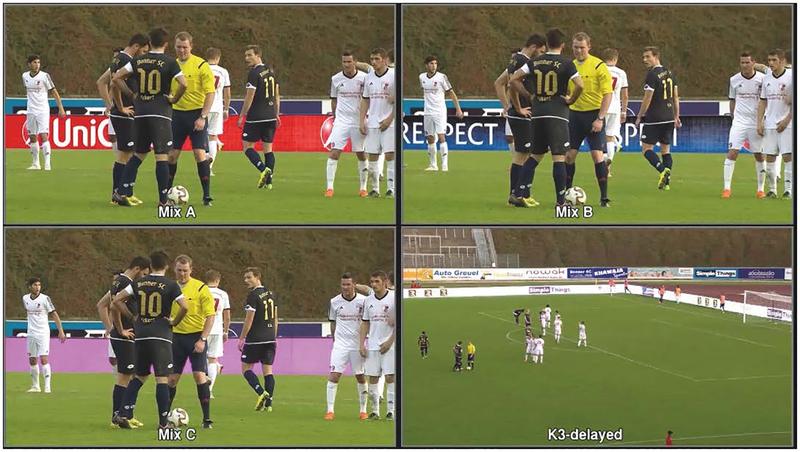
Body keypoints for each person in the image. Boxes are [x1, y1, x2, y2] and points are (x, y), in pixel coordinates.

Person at [112, 250, 188, 430]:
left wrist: (133, 317)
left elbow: (117, 300)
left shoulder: (138, 282)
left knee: (140, 375)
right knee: (162, 378)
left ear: (151, 266)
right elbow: (185, 307)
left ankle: (122, 413)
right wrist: (174, 321)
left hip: (141, 334)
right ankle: (164, 423)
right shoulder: (171, 285)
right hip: (161, 335)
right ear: (167, 266)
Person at [112, 28, 188, 207]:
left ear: (150, 43)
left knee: (139, 153)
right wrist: (173, 99)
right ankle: (163, 201)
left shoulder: (138, 60)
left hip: (141, 112)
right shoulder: (170, 62)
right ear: (166, 44)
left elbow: (116, 78)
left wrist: (132, 95)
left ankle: (121, 192)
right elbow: (184, 84)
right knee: (161, 156)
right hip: (160, 113)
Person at [510, 28, 583, 206]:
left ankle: (517, 193)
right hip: (557, 113)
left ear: (547, 44)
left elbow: (513, 79)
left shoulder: (535, 61)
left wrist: (530, 96)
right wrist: (570, 99)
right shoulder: (567, 63)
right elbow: (580, 85)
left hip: (538, 113)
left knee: (535, 155)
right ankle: (561, 202)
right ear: (563, 45)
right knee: (558, 157)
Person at [96, 256, 150, 426]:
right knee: (124, 377)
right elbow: (113, 307)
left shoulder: (118, 281)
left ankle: (126, 414)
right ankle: (117, 417)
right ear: (137, 269)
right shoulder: (127, 284)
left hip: (122, 336)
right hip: (125, 337)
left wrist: (110, 328)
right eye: (144, 273)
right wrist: (120, 330)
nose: (143, 277)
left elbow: (101, 304)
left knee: (133, 374)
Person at [97, 34, 150, 204]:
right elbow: (113, 83)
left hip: (122, 113)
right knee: (125, 155)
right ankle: (118, 194)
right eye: (143, 50)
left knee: (129, 153)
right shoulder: (126, 61)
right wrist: (119, 107)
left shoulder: (118, 59)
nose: (143, 54)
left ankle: (125, 192)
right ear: (136, 46)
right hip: (125, 114)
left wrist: (109, 105)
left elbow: (101, 82)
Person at [496, 34, 546, 207]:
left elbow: (498, 83)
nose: (541, 54)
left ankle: (521, 193)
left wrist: (507, 106)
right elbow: (511, 85)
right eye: (540, 50)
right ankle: (516, 194)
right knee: (523, 155)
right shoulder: (522, 61)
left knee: (525, 154)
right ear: (534, 47)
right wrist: (516, 108)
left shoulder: (515, 59)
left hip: (519, 114)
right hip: (522, 115)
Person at [167, 32, 216, 206]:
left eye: (185, 47)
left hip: (197, 115)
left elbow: (211, 92)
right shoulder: (171, 65)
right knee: (172, 156)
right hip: (177, 115)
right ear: (174, 46)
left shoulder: (201, 65)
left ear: (191, 46)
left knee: (199, 154)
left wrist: (203, 116)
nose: (182, 50)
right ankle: (166, 193)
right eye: (179, 47)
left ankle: (206, 195)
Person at [565, 32, 613, 207]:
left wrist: (600, 118)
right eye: (575, 47)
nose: (578, 51)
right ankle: (566, 194)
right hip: (574, 116)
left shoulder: (599, 66)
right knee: (569, 156)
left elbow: (608, 94)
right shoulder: (569, 66)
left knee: (597, 155)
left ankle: (604, 197)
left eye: (582, 47)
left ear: (589, 47)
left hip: (594, 115)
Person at [168, 255, 216, 428]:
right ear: (174, 269)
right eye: (179, 270)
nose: (182, 274)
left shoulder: (201, 288)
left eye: (185, 270)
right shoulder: (170, 287)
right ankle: (165, 416)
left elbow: (210, 316)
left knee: (199, 376)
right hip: (176, 338)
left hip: (196, 337)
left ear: (191, 269)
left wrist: (202, 339)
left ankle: (207, 418)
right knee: (172, 379)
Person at [635, 46, 680, 191]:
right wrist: (676, 116)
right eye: (644, 57)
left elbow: (647, 98)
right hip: (669, 117)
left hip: (655, 117)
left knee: (646, 149)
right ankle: (666, 183)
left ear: (656, 56)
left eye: (648, 57)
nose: (645, 60)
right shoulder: (670, 73)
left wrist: (640, 115)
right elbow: (675, 97)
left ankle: (662, 170)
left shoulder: (652, 75)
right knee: (665, 150)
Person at [325, 273, 369, 420]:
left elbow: (367, 322)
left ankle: (363, 410)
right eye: (343, 284)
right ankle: (330, 411)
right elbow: (333, 322)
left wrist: (364, 342)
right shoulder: (334, 301)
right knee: (334, 376)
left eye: (348, 284)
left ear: (354, 285)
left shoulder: (363, 301)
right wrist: (335, 341)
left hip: (358, 344)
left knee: (360, 376)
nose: (345, 287)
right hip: (340, 345)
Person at [722, 52, 766, 198]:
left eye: (747, 62)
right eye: (742, 63)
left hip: (756, 121)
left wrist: (763, 120)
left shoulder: (762, 79)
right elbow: (732, 100)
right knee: (732, 152)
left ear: (753, 62)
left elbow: (766, 100)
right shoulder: (734, 80)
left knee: (759, 155)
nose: (745, 65)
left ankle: (760, 189)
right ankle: (727, 189)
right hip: (739, 122)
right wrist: (734, 117)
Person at [325, 51, 369, 197]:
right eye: (344, 62)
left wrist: (365, 118)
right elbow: (333, 99)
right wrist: (335, 117)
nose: (346, 64)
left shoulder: (364, 78)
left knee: (361, 154)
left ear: (355, 62)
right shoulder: (336, 79)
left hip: (358, 120)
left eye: (349, 62)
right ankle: (329, 188)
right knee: (334, 152)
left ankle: (363, 188)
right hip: (341, 121)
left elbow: (368, 99)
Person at [238, 45, 281, 190]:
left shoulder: (254, 73)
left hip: (256, 116)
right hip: (270, 116)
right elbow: (276, 94)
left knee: (247, 146)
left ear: (258, 55)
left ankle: (263, 170)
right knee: (268, 149)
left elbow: (249, 96)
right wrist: (276, 113)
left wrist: (242, 115)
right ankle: (269, 183)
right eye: (245, 55)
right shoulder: (270, 72)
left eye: (249, 55)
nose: (247, 58)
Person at [239, 267, 279, 412]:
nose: (246, 281)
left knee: (245, 369)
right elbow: (275, 317)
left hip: (255, 339)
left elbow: (249, 319)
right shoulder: (271, 294)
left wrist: (242, 337)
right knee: (268, 370)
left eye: (249, 277)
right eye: (245, 278)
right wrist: (274, 335)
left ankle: (262, 393)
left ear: (257, 277)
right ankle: (269, 405)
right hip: (270, 338)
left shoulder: (253, 295)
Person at [359, 271, 396, 420]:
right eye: (372, 282)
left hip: (390, 346)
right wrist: (361, 344)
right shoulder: (368, 301)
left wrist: (390, 341)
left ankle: (391, 411)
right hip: (373, 345)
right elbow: (365, 323)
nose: (374, 285)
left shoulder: (393, 299)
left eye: (377, 281)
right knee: (373, 378)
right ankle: (374, 411)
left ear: (385, 281)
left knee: (390, 377)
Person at [756, 48, 793, 199]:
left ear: (782, 61)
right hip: (770, 124)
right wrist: (759, 122)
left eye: (774, 60)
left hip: (787, 124)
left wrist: (787, 119)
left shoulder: (792, 77)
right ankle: (772, 190)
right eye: (769, 60)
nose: (770, 63)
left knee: (788, 156)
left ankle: (789, 190)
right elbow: (763, 102)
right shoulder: (766, 78)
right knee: (770, 158)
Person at [360, 48, 396, 198]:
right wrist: (362, 120)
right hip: (373, 122)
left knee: (390, 155)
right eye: (372, 59)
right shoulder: (368, 78)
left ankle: (391, 189)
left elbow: (398, 101)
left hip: (390, 122)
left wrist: (390, 119)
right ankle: (375, 189)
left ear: (384, 59)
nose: (373, 62)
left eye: (376, 59)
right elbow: (365, 100)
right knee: (373, 156)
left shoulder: (394, 76)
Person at [420, 54, 463, 172]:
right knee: (430, 137)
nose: (434, 66)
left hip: (439, 111)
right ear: (426, 65)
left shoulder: (441, 77)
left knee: (441, 136)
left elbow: (451, 93)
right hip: (428, 111)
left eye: (435, 64)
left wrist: (458, 109)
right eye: (431, 64)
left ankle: (444, 165)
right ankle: (433, 165)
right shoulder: (422, 77)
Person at [23, 54, 66, 171]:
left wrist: (60, 108)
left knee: (43, 135)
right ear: (29, 64)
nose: (37, 65)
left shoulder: (44, 76)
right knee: (32, 136)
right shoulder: (25, 76)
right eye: (34, 62)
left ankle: (47, 163)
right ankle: (36, 163)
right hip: (31, 110)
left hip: (42, 110)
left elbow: (54, 92)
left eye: (38, 62)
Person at [23, 277, 66, 393]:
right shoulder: (25, 298)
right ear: (30, 287)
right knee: (32, 360)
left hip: (42, 333)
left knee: (43, 359)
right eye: (35, 285)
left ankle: (47, 387)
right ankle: (35, 386)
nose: (37, 287)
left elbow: (54, 315)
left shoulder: (45, 299)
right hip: (31, 333)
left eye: (39, 285)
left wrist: (60, 331)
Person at [602, 48, 629, 176]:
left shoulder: (599, 69)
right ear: (615, 59)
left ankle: (603, 164)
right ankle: (609, 166)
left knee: (600, 137)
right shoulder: (621, 73)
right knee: (610, 137)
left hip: (601, 106)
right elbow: (625, 95)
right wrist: (624, 111)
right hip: (614, 108)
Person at [205, 269, 231, 399]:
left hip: (203, 329)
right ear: (218, 280)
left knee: (201, 358)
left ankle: (214, 369)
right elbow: (227, 315)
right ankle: (209, 390)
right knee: (212, 359)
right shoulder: (223, 294)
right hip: (216, 330)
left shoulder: (201, 291)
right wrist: (226, 331)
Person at [206, 47, 231, 176]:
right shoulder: (223, 72)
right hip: (217, 108)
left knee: (201, 136)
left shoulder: (202, 68)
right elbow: (227, 92)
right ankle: (209, 168)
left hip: (203, 106)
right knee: (213, 137)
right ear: (218, 58)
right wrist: (226, 108)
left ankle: (204, 160)